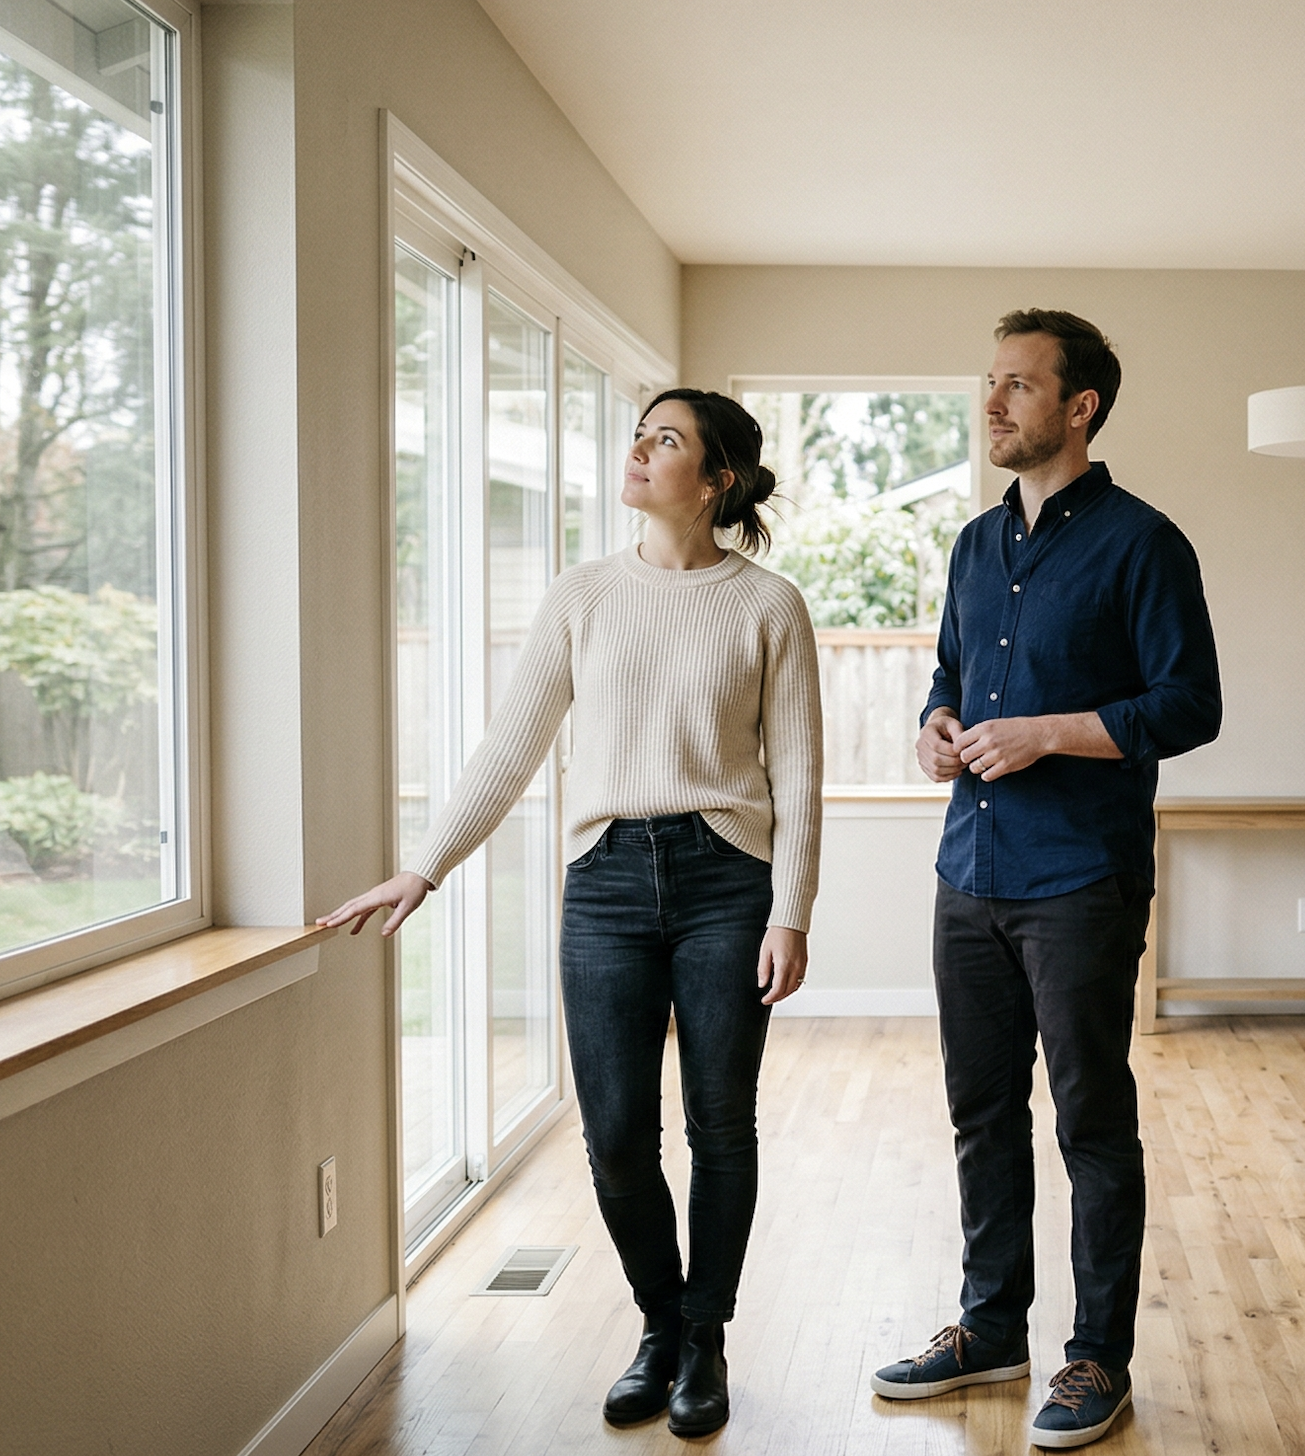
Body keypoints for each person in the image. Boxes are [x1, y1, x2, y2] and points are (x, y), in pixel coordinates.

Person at [320, 389, 822, 1439]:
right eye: (637, 431)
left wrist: (792, 911)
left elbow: (801, 775)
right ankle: (660, 1323)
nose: (637, 448)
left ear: (716, 476)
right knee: (614, 1137)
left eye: (665, 439)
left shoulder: (768, 604)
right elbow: (510, 746)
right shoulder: (582, 593)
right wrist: (424, 867)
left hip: (726, 878)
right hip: (602, 881)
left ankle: (707, 1340)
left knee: (720, 1124)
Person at [871, 310, 1222, 1448]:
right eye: (989, 382)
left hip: (1079, 880)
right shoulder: (975, 545)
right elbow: (951, 671)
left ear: (1081, 407)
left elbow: (1189, 707)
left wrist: (1048, 733)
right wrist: (937, 724)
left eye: (1017, 385)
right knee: (980, 1117)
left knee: (1088, 1119)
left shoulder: (1143, 542)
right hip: (966, 873)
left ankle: (1094, 1358)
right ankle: (991, 1328)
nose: (992, 403)